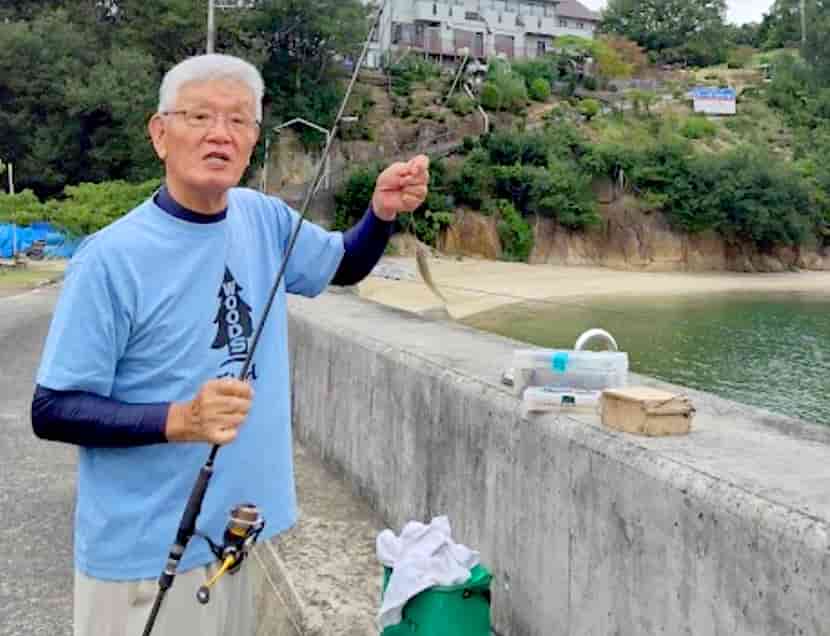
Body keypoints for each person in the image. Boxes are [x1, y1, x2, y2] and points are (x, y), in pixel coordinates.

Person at [31, 53, 429, 636]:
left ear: (254, 139)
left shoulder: (262, 217)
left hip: (242, 541)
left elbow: (341, 265)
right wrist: (181, 419)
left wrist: (381, 213)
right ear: (159, 133)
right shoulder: (110, 259)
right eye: (199, 117)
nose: (221, 134)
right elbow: (53, 408)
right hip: (145, 560)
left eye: (239, 121)